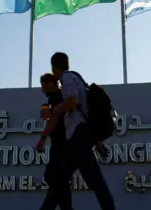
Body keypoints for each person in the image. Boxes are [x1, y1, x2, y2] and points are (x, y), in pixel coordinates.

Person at [47, 52, 115, 210]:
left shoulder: (67, 78)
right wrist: (97, 141)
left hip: (79, 134)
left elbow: (72, 101)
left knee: (59, 175)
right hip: (84, 135)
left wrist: (53, 110)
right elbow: (87, 110)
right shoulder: (77, 79)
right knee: (94, 180)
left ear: (53, 67)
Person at [36, 73, 73, 210]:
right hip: (63, 142)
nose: (42, 90)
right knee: (60, 179)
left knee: (52, 177)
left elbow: (54, 120)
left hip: (61, 143)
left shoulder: (56, 97)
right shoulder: (59, 96)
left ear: (50, 84)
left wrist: (42, 138)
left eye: (43, 86)